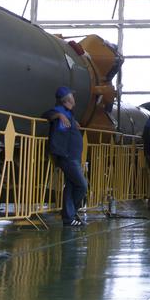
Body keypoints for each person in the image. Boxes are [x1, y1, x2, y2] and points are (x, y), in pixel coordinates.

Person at [44, 85, 88, 227]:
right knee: (82, 185)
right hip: (67, 156)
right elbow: (47, 114)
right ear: (68, 99)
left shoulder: (68, 113)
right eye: (72, 96)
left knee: (71, 186)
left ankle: (69, 217)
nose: (74, 98)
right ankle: (69, 214)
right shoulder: (60, 111)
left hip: (72, 155)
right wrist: (59, 115)